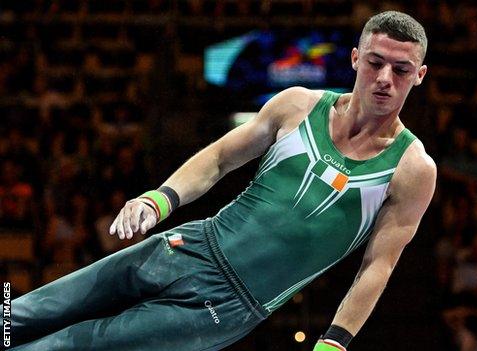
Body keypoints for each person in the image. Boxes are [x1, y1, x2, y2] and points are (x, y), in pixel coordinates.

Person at [9, 11, 436, 351]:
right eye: (376, 62)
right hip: (190, 244)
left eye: (401, 70)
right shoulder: (298, 105)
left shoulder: (412, 168)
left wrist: (334, 342)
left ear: (419, 75)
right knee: (26, 311)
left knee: (63, 346)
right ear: (355, 59)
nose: (384, 79)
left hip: (226, 306)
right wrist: (157, 200)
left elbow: (378, 265)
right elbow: (218, 159)